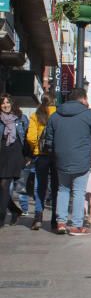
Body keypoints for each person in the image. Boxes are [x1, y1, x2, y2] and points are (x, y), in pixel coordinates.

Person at [43, 87, 91, 235]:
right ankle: (77, 225)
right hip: (82, 159)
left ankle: (61, 222)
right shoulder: (89, 115)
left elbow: (49, 141)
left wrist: (55, 155)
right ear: (84, 99)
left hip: (61, 160)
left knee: (63, 189)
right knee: (79, 192)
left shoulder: (55, 115)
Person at [26, 94, 57, 230]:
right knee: (56, 186)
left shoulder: (35, 115)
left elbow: (31, 138)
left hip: (41, 155)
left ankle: (38, 217)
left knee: (40, 186)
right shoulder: (58, 114)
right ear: (54, 101)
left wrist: (36, 147)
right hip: (56, 155)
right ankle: (55, 220)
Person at [0, 94, 28, 226]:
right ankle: (15, 210)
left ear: (12, 103)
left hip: (15, 154)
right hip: (2, 154)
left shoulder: (21, 118)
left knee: (5, 185)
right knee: (2, 188)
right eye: (3, 103)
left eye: (7, 102)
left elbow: (27, 138)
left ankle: (1, 217)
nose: (5, 105)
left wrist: (28, 156)